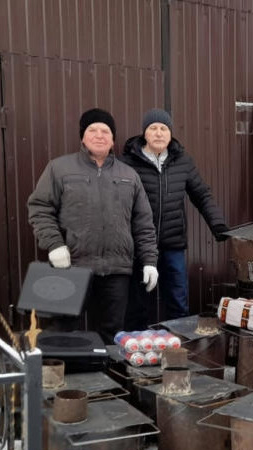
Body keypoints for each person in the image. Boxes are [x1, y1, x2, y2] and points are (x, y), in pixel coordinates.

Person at [27, 108, 159, 343]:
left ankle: (110, 378)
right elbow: (40, 208)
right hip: (73, 267)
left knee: (113, 335)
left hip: (117, 270)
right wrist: (55, 245)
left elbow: (143, 223)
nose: (99, 135)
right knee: (64, 331)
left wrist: (149, 261)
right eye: (92, 130)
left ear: (113, 139)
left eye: (105, 131)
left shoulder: (129, 175)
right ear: (82, 136)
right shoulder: (59, 169)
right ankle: (66, 377)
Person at [121, 108, 229, 328]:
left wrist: (217, 224)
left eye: (164, 128)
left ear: (170, 134)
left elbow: (202, 194)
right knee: (138, 304)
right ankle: (138, 350)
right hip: (140, 246)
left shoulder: (182, 161)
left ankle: (181, 348)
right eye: (153, 128)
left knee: (178, 301)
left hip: (173, 244)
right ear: (145, 133)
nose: (159, 133)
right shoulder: (129, 162)